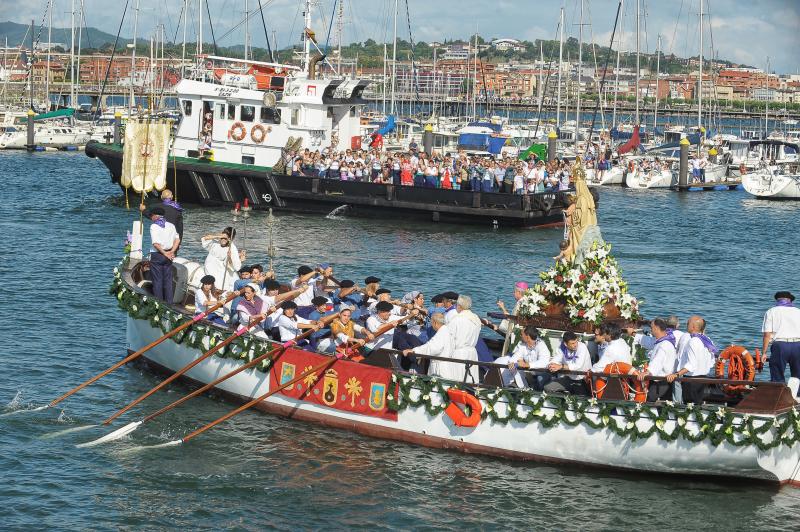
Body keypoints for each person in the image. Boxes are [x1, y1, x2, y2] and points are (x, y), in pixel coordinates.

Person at [667, 315, 716, 404]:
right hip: (703, 378)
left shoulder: (693, 341)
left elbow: (691, 365)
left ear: (693, 327)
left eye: (688, 323)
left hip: (691, 380)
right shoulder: (708, 340)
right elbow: (712, 361)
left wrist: (677, 374)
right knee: (697, 405)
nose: (686, 325)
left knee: (689, 407)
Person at [630, 318, 678, 402]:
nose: (650, 330)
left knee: (650, 402)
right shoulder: (663, 339)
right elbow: (649, 341)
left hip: (660, 382)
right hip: (661, 380)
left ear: (656, 328)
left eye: (651, 328)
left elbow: (658, 361)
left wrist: (647, 372)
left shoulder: (664, 344)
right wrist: (634, 334)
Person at [761, 291, 800, 390]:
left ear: (777, 300)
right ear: (790, 300)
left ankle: (778, 396)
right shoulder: (798, 311)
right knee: (798, 375)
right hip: (798, 345)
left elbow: (767, 334)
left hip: (780, 345)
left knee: (777, 373)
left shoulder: (771, 311)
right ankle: (798, 398)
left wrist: (764, 353)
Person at [404, 312, 457, 379]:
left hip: (440, 368)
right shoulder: (447, 331)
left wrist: (414, 350)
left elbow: (432, 347)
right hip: (447, 365)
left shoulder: (441, 333)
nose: (431, 325)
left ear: (435, 323)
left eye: (431, 323)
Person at [146, 206, 180, 302]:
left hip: (158, 255)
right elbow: (177, 239)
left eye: (151, 216)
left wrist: (165, 253)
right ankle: (169, 303)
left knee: (157, 281)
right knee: (168, 281)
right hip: (169, 254)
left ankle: (159, 303)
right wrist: (172, 251)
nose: (151, 218)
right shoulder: (171, 225)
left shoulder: (154, 226)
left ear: (156, 216)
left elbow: (156, 244)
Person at [447, 295, 481, 383]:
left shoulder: (457, 320)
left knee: (458, 381)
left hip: (459, 353)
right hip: (472, 353)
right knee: (471, 381)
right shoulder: (476, 319)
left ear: (459, 306)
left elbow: (448, 338)